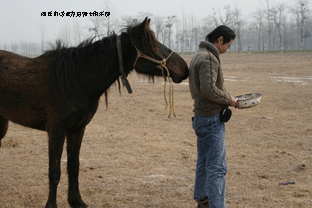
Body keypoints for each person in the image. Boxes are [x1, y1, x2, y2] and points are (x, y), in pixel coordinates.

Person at [189, 25, 237, 208]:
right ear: (220, 40)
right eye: (228, 45)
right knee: (217, 168)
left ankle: (203, 199)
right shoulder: (209, 58)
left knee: (203, 162)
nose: (226, 49)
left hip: (200, 118)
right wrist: (229, 99)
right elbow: (208, 89)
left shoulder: (198, 54)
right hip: (210, 119)